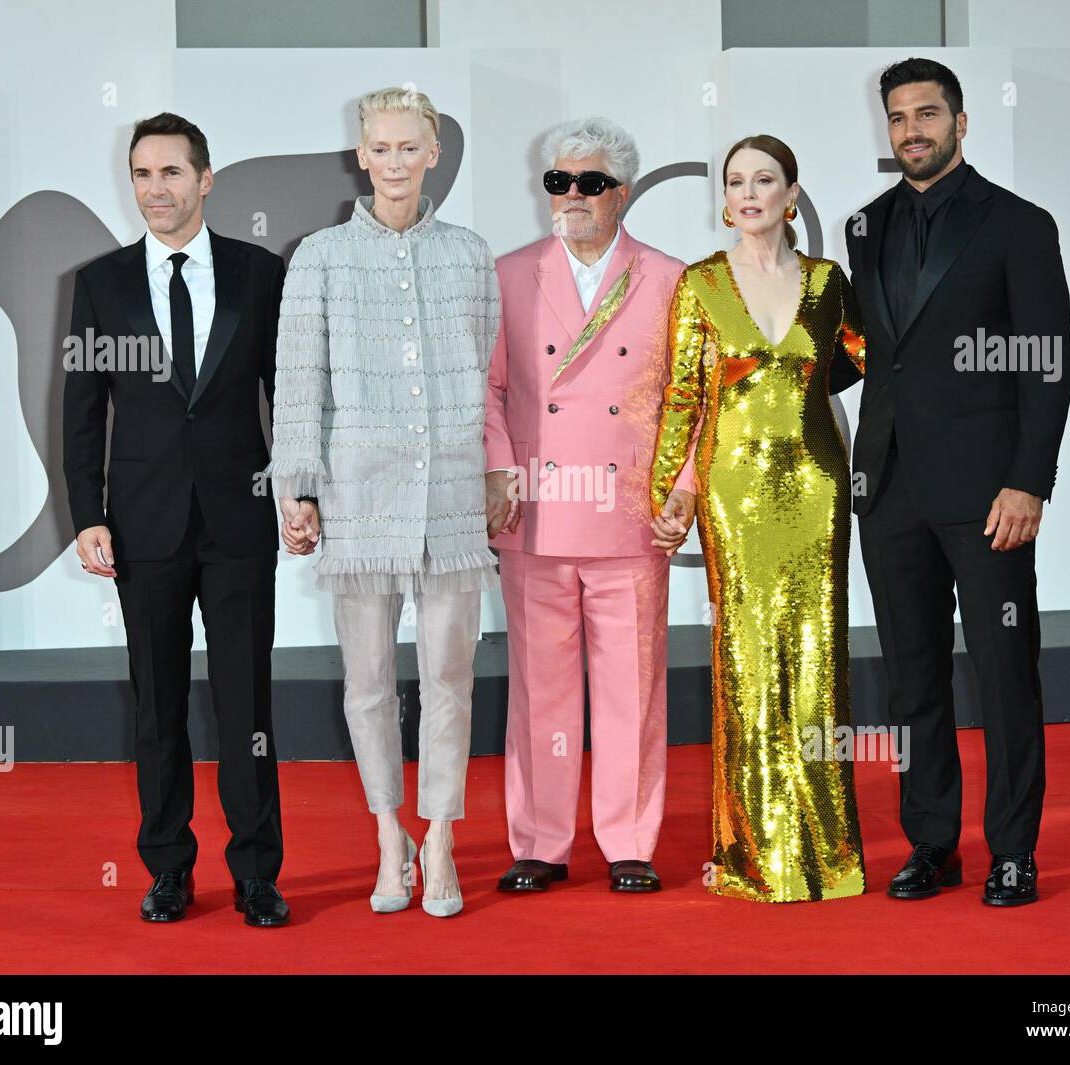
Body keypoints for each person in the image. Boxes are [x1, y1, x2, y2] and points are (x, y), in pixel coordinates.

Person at [265, 88, 501, 918]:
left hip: (450, 496)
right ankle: (388, 836)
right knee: (366, 682)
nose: (395, 163)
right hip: (359, 494)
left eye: (410, 147)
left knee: (450, 676)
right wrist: (297, 486)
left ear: (433, 154)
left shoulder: (469, 254)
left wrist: (496, 472)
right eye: (381, 148)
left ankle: (439, 838)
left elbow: (491, 379)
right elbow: (298, 383)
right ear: (360, 155)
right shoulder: (319, 258)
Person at [846, 58, 1070, 906]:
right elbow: (873, 354)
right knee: (912, 677)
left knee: (1005, 672)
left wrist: (1029, 481)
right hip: (889, 488)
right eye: (899, 116)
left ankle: (1013, 849)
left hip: (987, 495)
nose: (912, 130)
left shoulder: (1018, 224)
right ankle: (931, 841)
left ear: (961, 122)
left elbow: (1046, 362)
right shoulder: (865, 226)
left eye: (928, 114)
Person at [63, 113, 290, 926]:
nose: (154, 189)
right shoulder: (102, 282)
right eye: (142, 174)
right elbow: (82, 409)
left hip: (240, 520)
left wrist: (299, 489)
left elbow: (288, 394)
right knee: (157, 708)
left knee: (245, 707)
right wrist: (86, 512)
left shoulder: (260, 273)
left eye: (169, 172)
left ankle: (257, 872)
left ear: (205, 178)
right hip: (143, 523)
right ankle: (168, 868)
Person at [650, 135, 868, 903]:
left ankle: (827, 853)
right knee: (745, 660)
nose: (748, 193)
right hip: (732, 489)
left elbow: (864, 361)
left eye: (764, 179)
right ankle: (747, 848)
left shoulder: (829, 282)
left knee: (816, 658)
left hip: (815, 484)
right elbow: (682, 394)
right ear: (725, 199)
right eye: (736, 181)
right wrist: (668, 492)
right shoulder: (700, 283)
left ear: (791, 194)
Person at [484, 117, 692, 894]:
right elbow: (488, 389)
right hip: (536, 511)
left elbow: (691, 399)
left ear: (622, 193)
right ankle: (540, 842)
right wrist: (497, 471)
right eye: (559, 182)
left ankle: (629, 840)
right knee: (540, 690)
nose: (572, 196)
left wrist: (683, 486)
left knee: (632, 690)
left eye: (591, 183)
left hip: (629, 514)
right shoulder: (508, 274)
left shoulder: (669, 277)